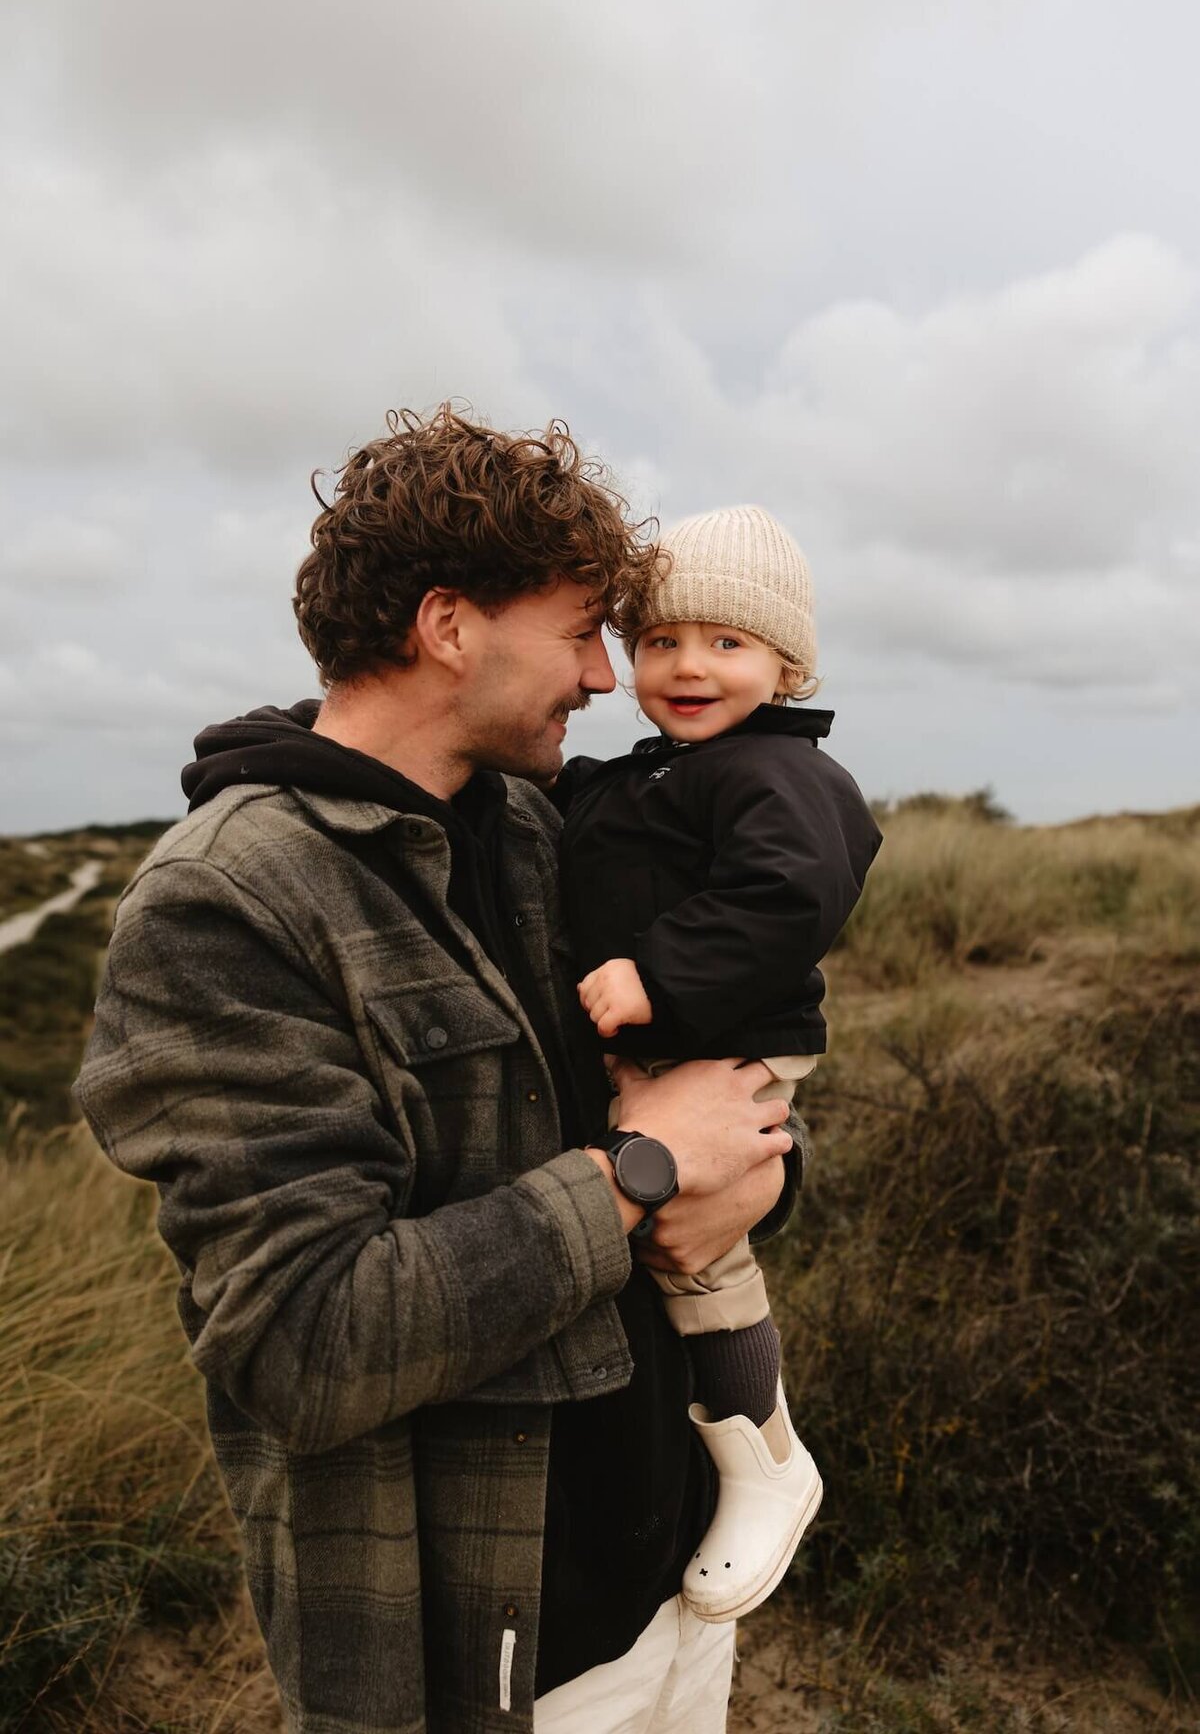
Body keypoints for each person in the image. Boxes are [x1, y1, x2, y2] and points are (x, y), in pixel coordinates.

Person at [75, 409, 805, 1734]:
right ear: (451, 625)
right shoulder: (228, 902)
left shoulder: (543, 830)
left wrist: (755, 1163)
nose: (603, 674)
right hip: (492, 1664)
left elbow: (698, 1086)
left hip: (677, 1583)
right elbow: (306, 1337)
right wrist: (642, 1175)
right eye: (582, 629)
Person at [554, 504, 881, 1623]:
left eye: (726, 643)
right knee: (654, 1245)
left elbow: (791, 895)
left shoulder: (779, 774)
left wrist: (659, 977)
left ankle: (765, 1462)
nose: (687, 665)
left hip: (725, 1047)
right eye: (660, 642)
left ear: (786, 666)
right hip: (670, 1046)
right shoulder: (652, 773)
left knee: (696, 1259)